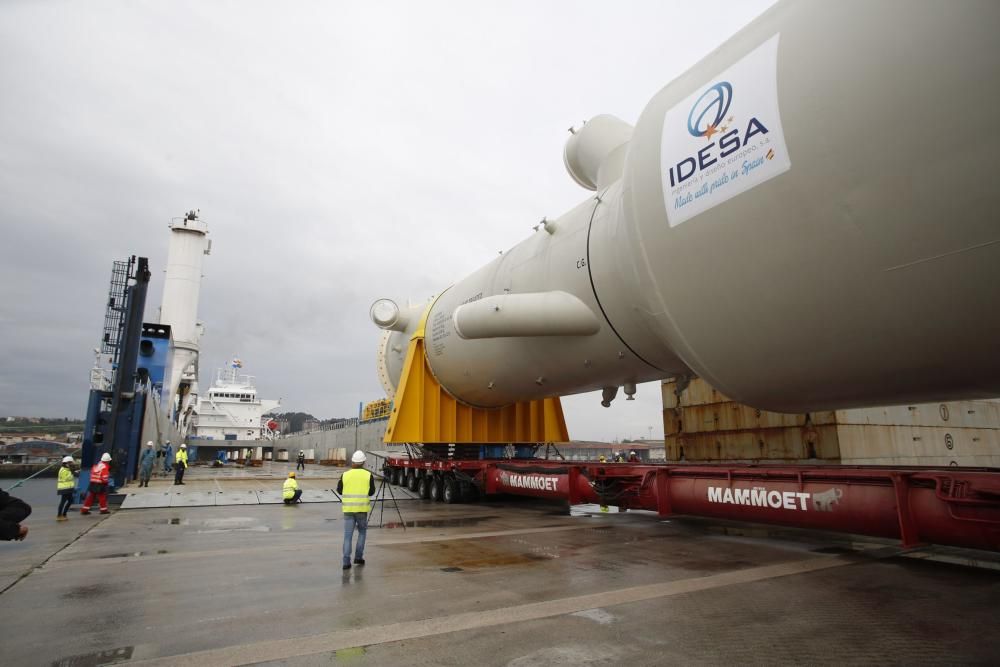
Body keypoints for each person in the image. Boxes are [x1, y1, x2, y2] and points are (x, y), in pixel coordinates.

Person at [337, 450, 374, 570]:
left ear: (353, 461)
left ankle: (346, 562)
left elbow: (339, 490)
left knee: (348, 536)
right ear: (363, 462)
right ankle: (358, 557)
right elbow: (371, 492)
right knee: (362, 533)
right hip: (362, 509)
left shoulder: (345, 475)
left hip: (348, 509)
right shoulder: (368, 475)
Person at [56, 455, 78, 520]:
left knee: (71, 500)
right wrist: (73, 472)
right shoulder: (63, 470)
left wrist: (73, 471)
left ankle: (64, 514)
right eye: (70, 463)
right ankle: (59, 515)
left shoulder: (67, 469)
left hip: (68, 488)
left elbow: (70, 475)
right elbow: (67, 478)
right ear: (66, 463)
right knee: (63, 502)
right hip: (64, 489)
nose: (71, 464)